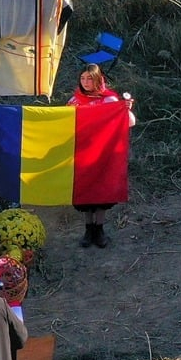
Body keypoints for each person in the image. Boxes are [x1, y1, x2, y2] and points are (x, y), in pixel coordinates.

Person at [71, 62, 134, 247]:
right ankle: (88, 229)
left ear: (98, 79)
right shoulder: (74, 101)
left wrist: (125, 109)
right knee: (85, 192)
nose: (85, 82)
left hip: (104, 155)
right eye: (82, 78)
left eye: (89, 78)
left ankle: (99, 230)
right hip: (82, 155)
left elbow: (129, 123)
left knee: (101, 193)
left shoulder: (110, 100)